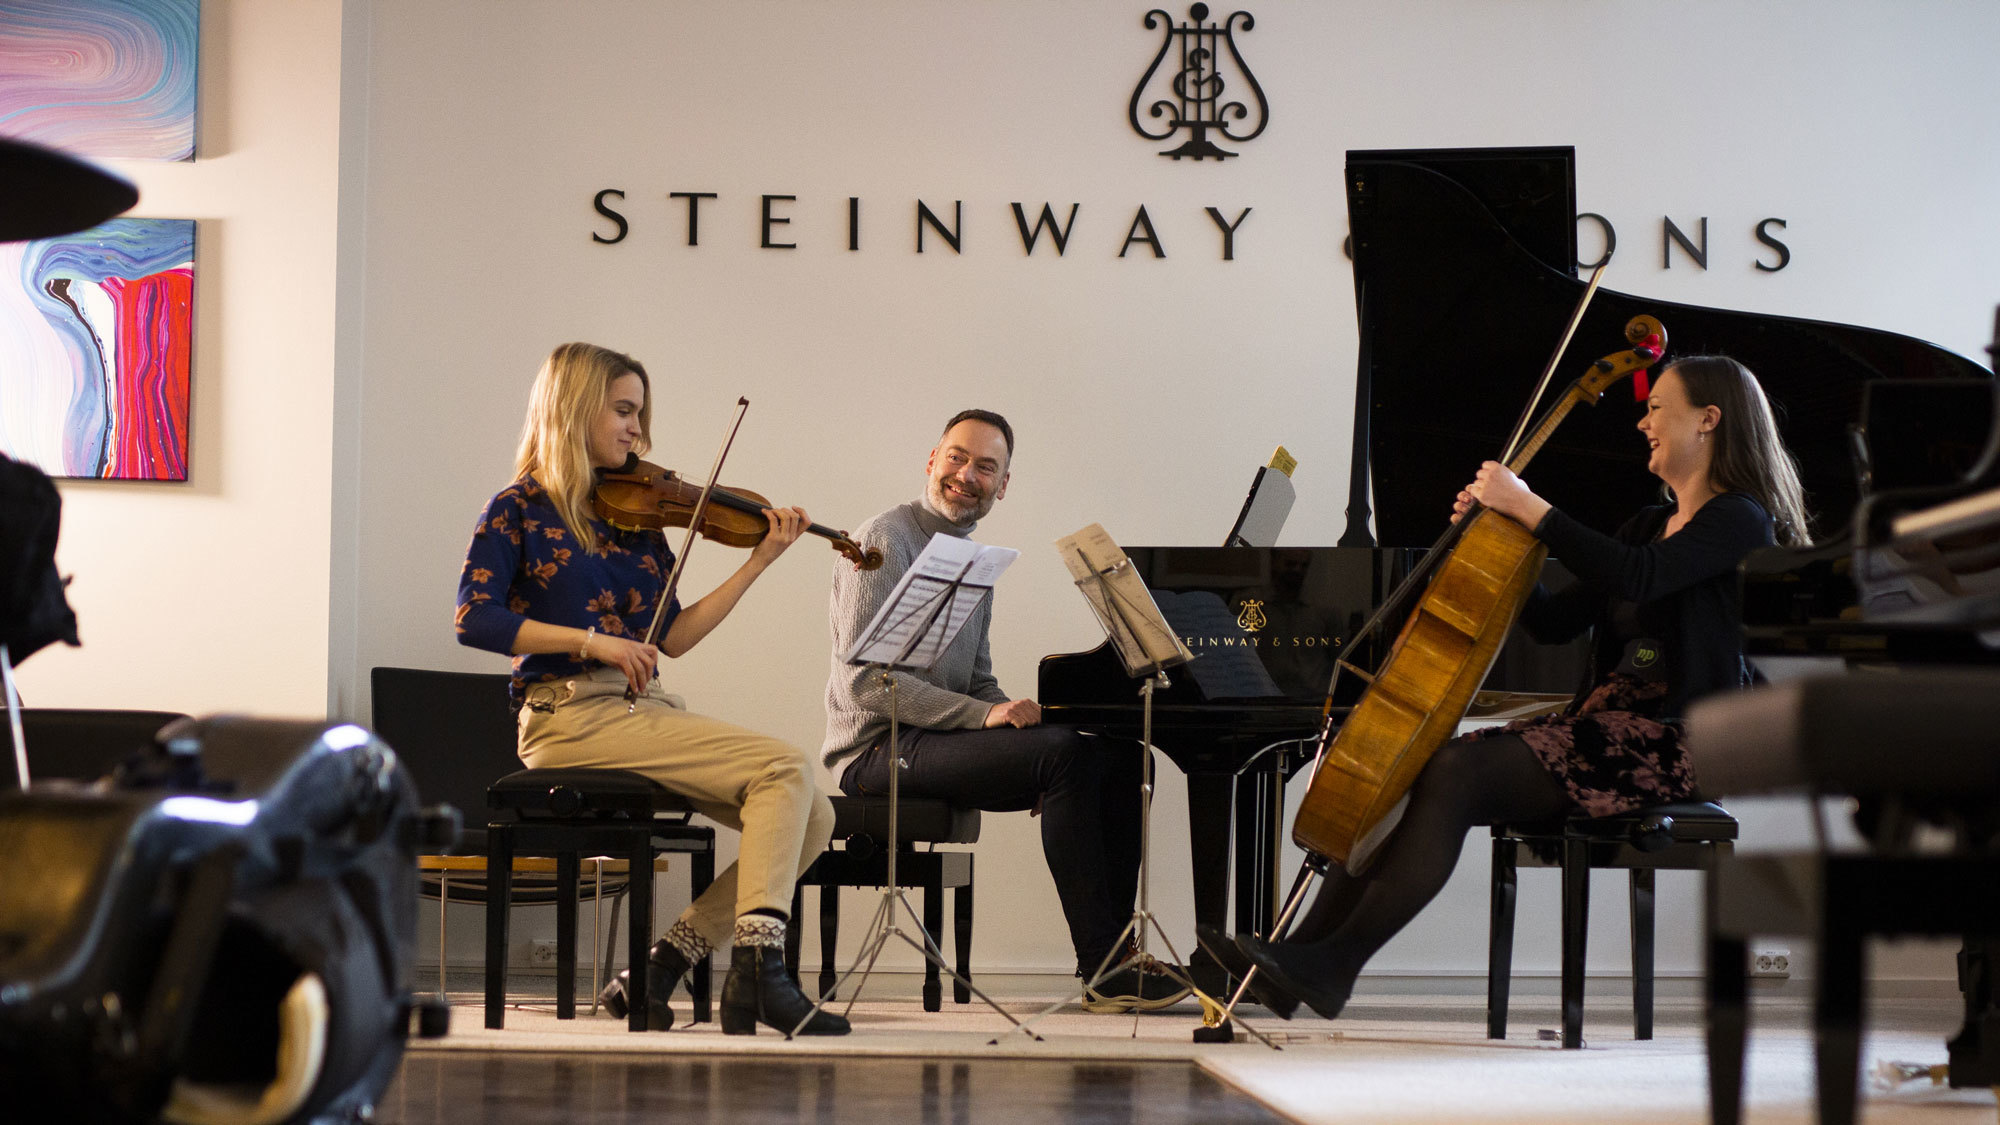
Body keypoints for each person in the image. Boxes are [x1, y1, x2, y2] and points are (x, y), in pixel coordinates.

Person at [1211, 354, 1811, 1020]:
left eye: (1656, 407)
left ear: (1708, 419)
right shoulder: (1647, 522)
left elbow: (1641, 576)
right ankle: (1302, 956)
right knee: (1424, 758)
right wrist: (1496, 538)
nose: (1644, 422)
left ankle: (1333, 963)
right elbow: (1555, 622)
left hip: (1682, 743)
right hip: (1608, 732)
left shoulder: (1740, 521)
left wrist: (1531, 506)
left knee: (1460, 770)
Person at [455, 341, 847, 1036]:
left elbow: (676, 635)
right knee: (784, 766)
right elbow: (475, 618)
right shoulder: (516, 507)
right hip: (565, 715)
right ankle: (760, 972)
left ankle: (663, 963)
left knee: (815, 814)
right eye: (625, 410)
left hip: (638, 708)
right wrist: (588, 640)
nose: (639, 430)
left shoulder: (638, 518)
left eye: (641, 413)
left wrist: (759, 560)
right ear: (574, 408)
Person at [822, 409, 1190, 1012]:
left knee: (1124, 757)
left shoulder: (973, 562)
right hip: (874, 750)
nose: (968, 474)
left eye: (986, 467)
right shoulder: (881, 541)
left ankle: (1120, 952)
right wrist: (989, 721)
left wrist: (1014, 722)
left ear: (1003, 483)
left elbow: (979, 680)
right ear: (932, 460)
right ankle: (1102, 968)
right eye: (958, 458)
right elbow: (866, 685)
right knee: (1063, 755)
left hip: (932, 742)